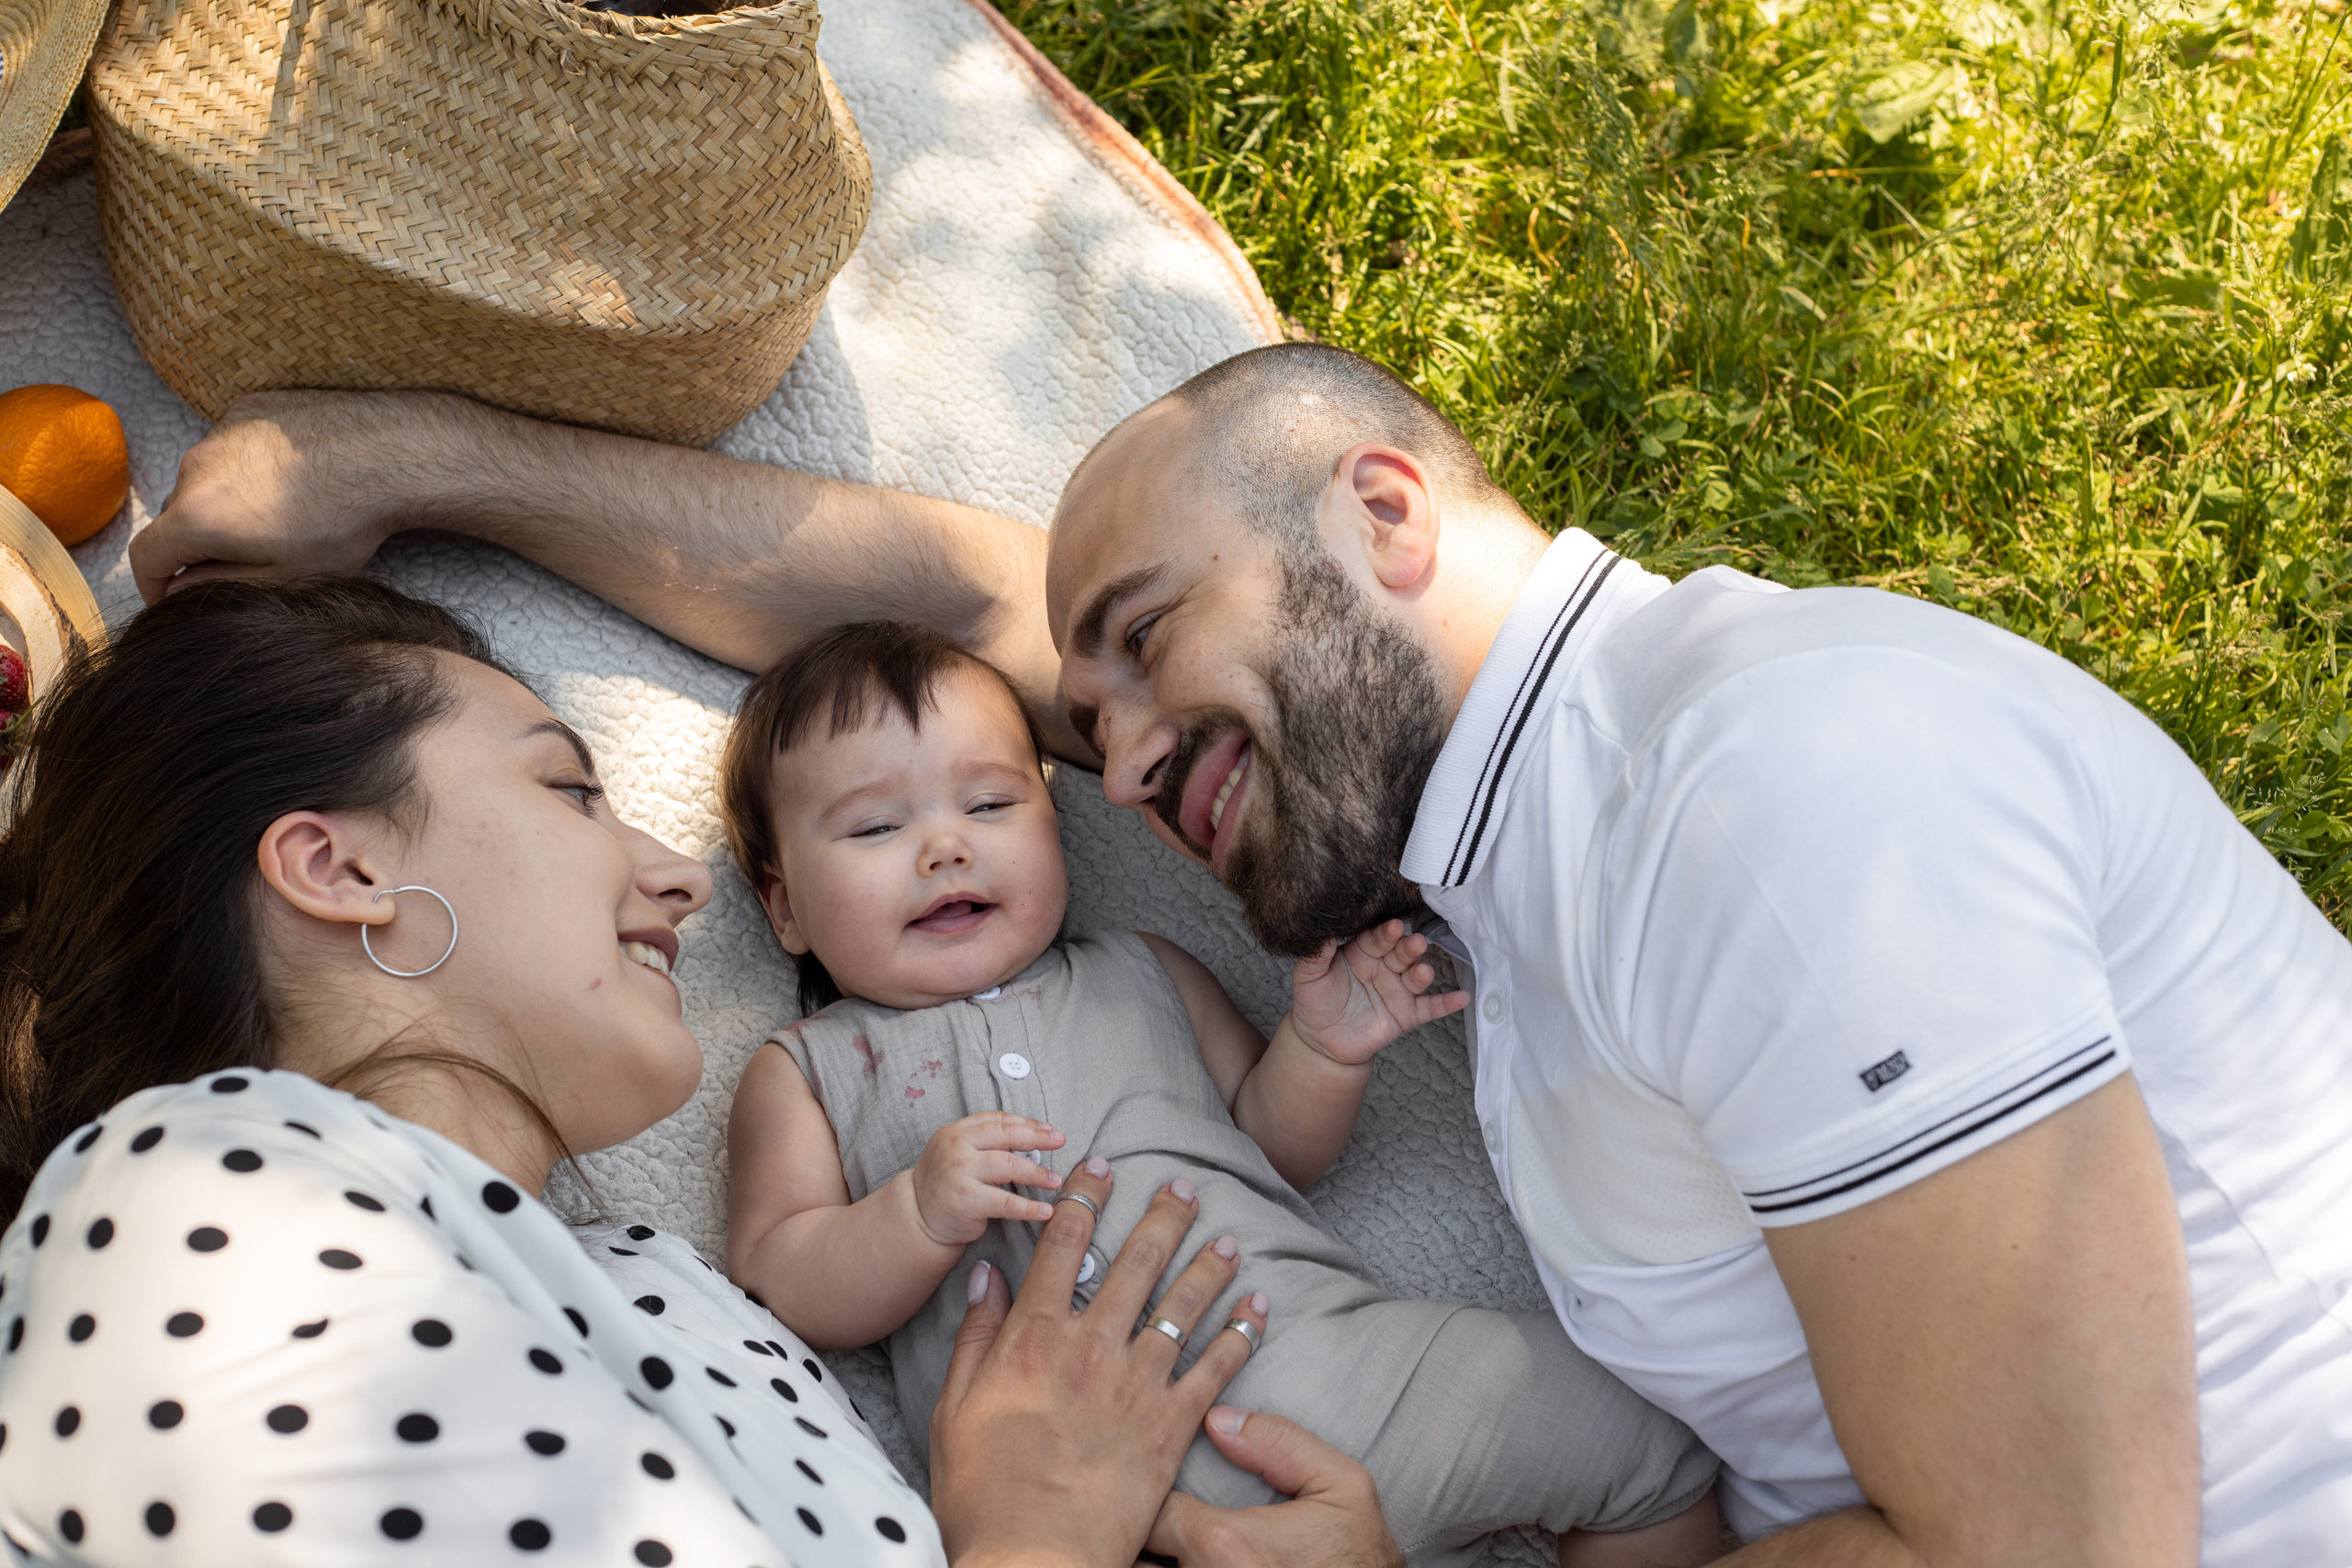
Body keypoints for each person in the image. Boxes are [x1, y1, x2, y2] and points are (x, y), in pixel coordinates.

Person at [135, 338, 2352, 1567]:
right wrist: (411, 466)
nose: (1093, 758)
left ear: (1383, 513)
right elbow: (920, 640)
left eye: (1129, 654)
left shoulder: (1773, 803)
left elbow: (2056, 1555)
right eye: (1071, 725)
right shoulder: (1488, 822)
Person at [0, 576, 1363, 1568]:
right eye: (570, 789)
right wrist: (1036, 1527)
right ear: (343, 868)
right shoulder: (198, 1199)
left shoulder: (659, 1280)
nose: (680, 874)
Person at [718, 621, 1721, 1568]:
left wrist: (1323, 1051)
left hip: (1327, 1369)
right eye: (877, 826)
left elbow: (1266, 1148)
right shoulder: (807, 1067)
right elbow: (779, 1283)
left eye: (989, 805)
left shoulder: (1141, 971)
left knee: (1646, 1434)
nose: (945, 847)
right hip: (1080, 1499)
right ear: (785, 908)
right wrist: (914, 1212)